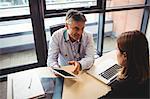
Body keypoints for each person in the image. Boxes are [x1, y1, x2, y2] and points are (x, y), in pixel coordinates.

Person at [47, 9, 95, 99]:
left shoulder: (88, 36)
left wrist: (80, 64)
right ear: (67, 26)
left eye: (82, 29)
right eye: (76, 28)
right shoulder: (56, 36)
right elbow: (51, 60)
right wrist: (57, 69)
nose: (80, 33)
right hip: (65, 74)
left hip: (83, 71)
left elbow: (90, 58)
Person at [99, 30, 149, 98]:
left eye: (117, 49)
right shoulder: (145, 73)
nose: (116, 53)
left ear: (125, 55)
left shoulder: (122, 89)